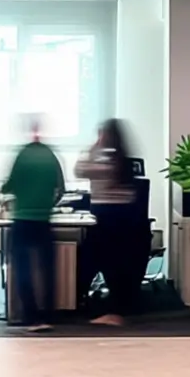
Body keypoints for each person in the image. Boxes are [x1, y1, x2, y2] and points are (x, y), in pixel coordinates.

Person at [1, 117, 65, 332]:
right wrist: (49, 205)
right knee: (48, 269)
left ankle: (31, 317)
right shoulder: (50, 154)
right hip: (44, 220)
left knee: (23, 268)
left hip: (22, 219)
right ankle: (49, 315)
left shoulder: (23, 154)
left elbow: (9, 185)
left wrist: (5, 189)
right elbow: (61, 188)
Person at [75, 119, 139, 327]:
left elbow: (79, 170)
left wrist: (93, 147)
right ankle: (115, 309)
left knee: (90, 261)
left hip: (106, 216)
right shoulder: (123, 159)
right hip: (123, 217)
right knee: (113, 264)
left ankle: (107, 311)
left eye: (101, 133)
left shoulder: (105, 162)